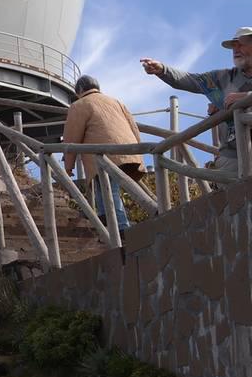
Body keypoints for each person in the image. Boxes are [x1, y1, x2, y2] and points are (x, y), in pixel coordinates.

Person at [140, 26, 252, 170]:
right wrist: (163, 70)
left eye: (241, 44)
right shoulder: (223, 78)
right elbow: (191, 80)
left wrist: (245, 97)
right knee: (225, 175)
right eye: (233, 46)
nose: (236, 50)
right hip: (232, 157)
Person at [61, 74, 144, 235]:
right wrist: (137, 150)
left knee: (109, 189)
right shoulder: (116, 101)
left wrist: (68, 166)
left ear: (79, 90)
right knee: (102, 184)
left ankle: (121, 227)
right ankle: (104, 217)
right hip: (128, 151)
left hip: (105, 155)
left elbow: (71, 138)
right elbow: (134, 128)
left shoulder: (79, 105)